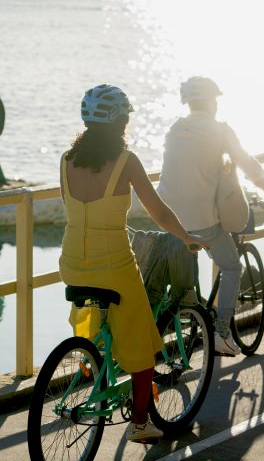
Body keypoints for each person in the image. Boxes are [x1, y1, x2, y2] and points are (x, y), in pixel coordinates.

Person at [59, 84, 209, 443]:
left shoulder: (66, 159)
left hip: (72, 263)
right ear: (121, 123)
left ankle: (94, 359)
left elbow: (75, 207)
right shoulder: (127, 162)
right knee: (143, 349)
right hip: (113, 267)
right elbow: (157, 211)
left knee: (107, 323)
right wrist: (186, 236)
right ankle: (141, 424)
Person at [157, 76, 264, 356]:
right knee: (231, 267)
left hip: (165, 216)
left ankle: (183, 322)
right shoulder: (220, 130)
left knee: (182, 279)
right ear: (212, 101)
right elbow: (248, 165)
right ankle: (222, 333)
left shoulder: (175, 128)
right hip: (202, 220)